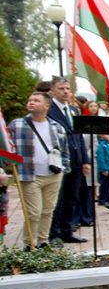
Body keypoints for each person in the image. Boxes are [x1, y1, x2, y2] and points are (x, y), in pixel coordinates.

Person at [7, 92, 70, 249]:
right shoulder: (17, 124)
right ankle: (29, 244)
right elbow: (6, 146)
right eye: (30, 100)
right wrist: (9, 161)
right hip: (29, 175)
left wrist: (64, 168)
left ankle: (43, 242)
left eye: (36, 100)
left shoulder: (56, 127)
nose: (31, 102)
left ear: (46, 106)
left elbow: (64, 150)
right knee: (34, 213)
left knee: (48, 211)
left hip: (53, 175)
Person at [47, 78, 90, 244]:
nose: (65, 92)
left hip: (76, 159)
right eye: (61, 88)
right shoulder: (49, 110)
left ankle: (67, 230)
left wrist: (85, 160)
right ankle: (54, 233)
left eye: (67, 88)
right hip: (59, 160)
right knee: (59, 197)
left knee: (73, 196)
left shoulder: (73, 110)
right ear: (53, 91)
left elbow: (80, 136)